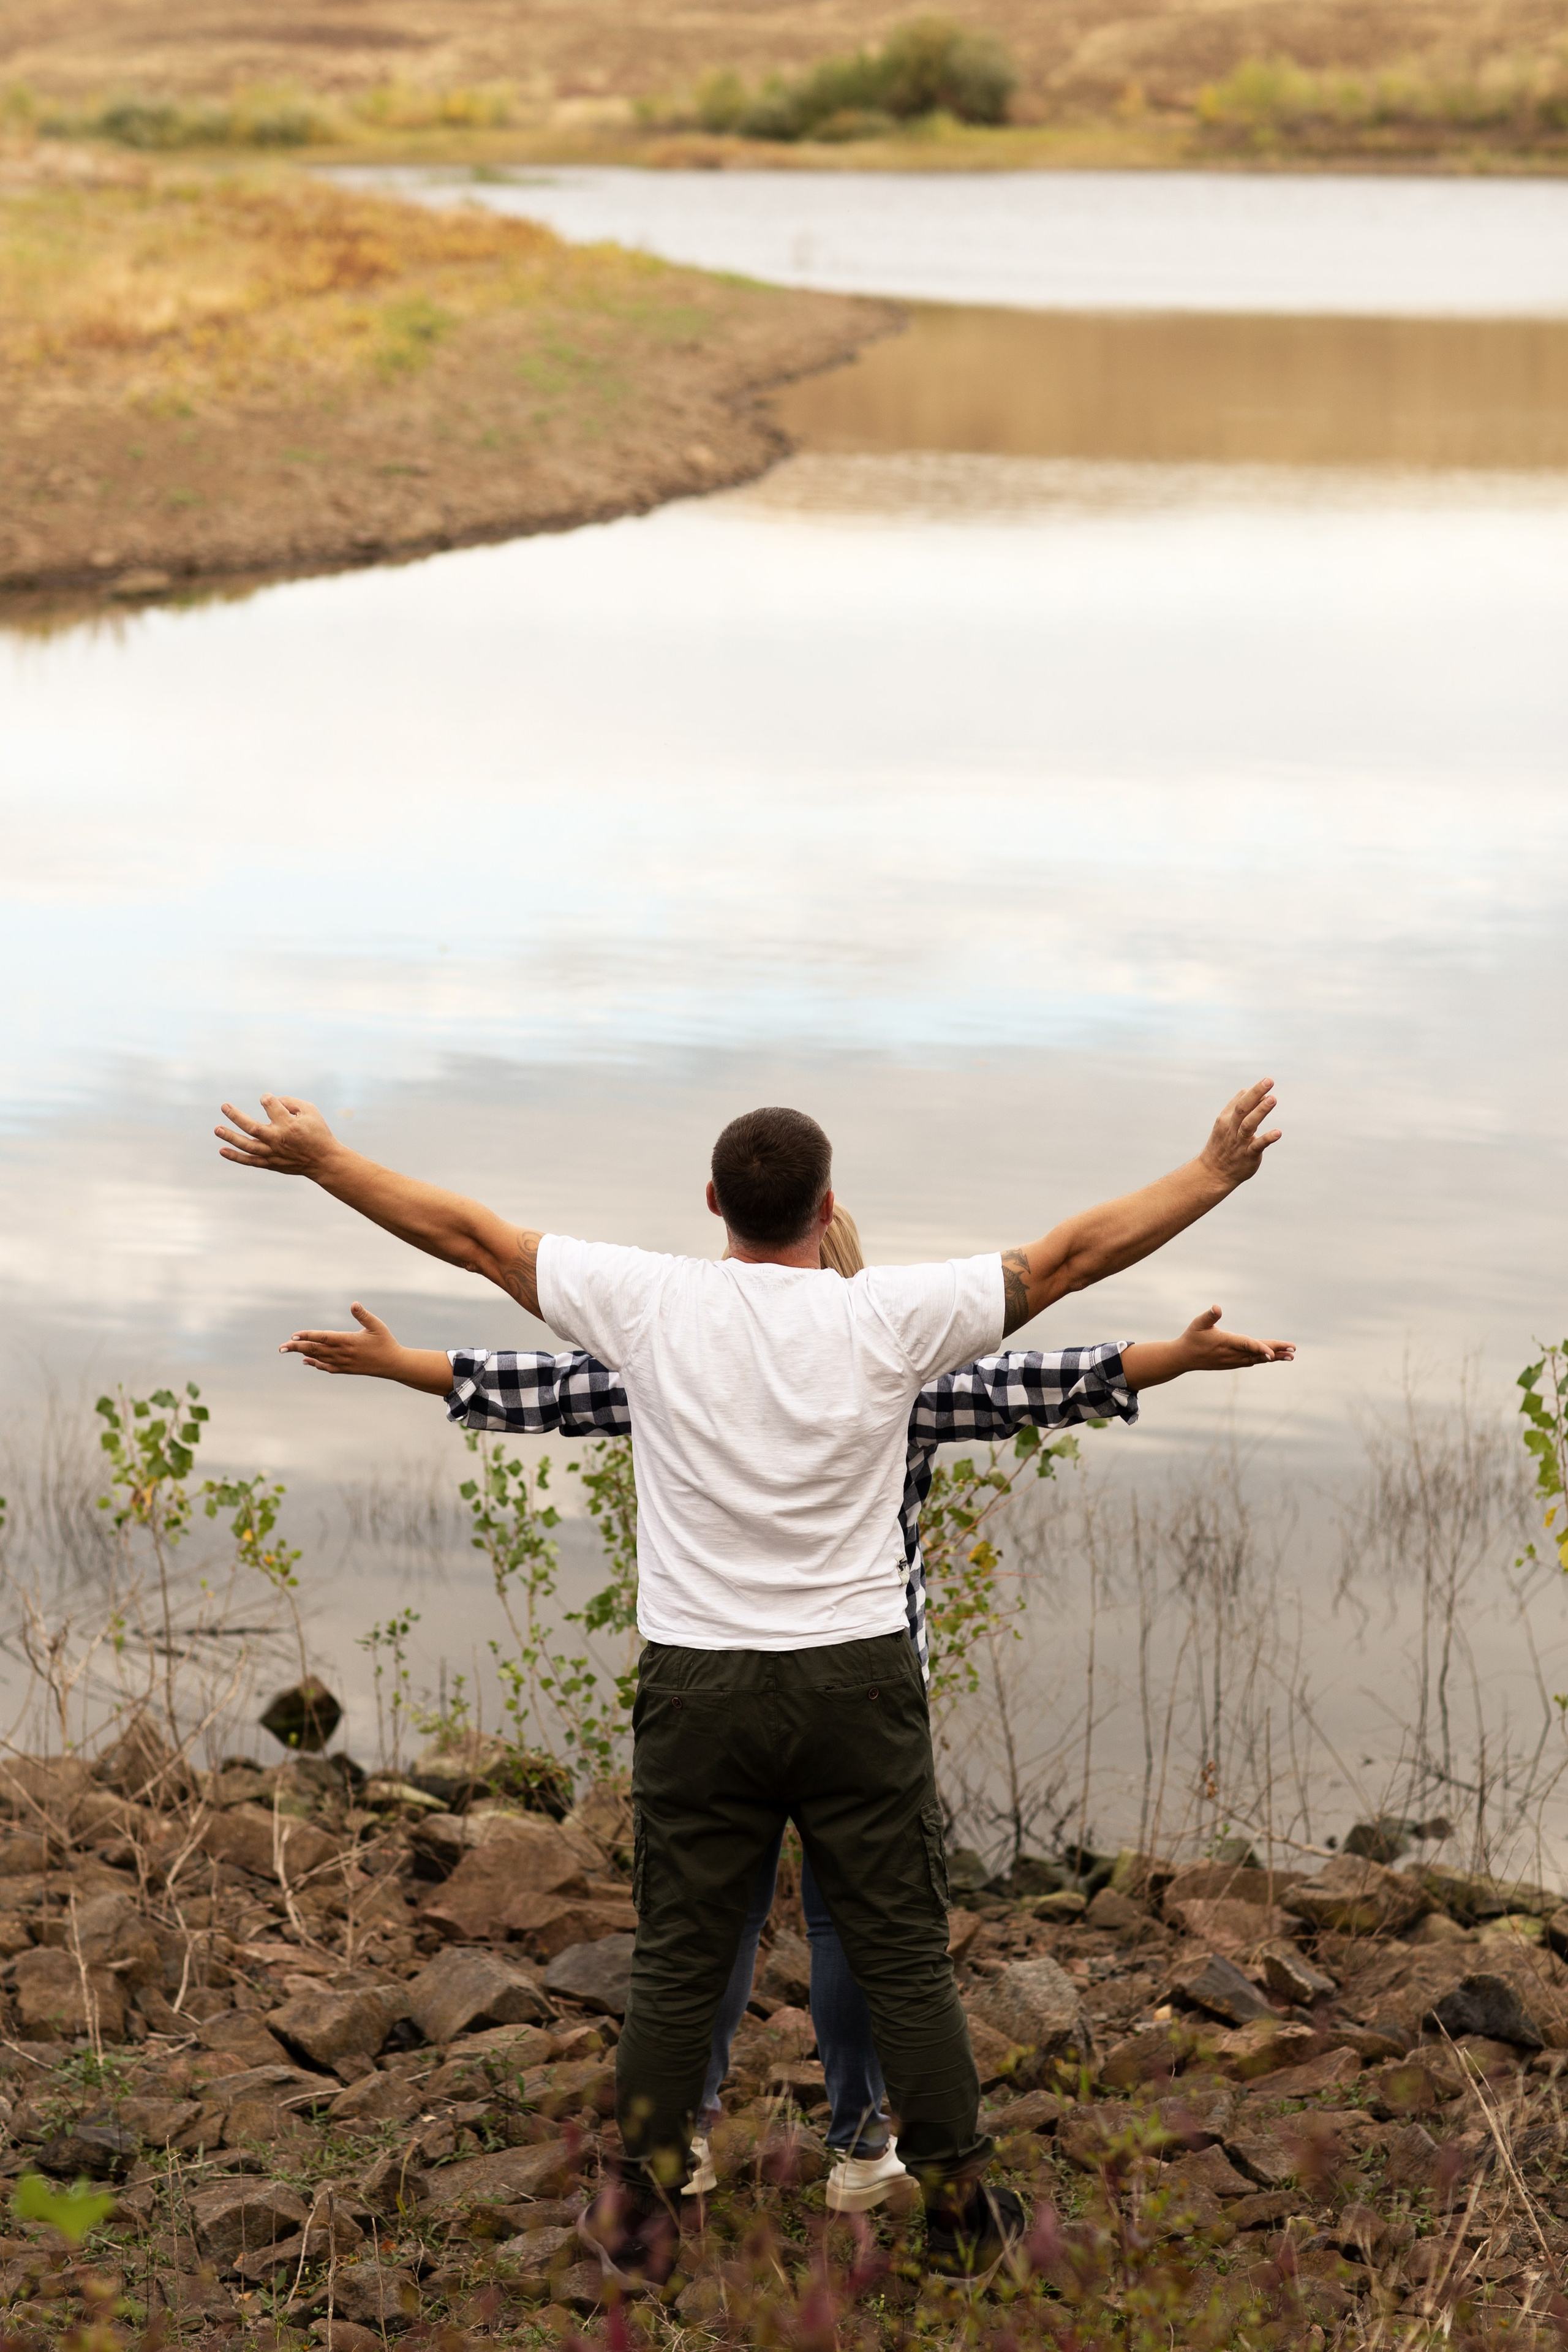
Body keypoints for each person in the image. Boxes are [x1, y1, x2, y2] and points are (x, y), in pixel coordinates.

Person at [216, 1079, 1286, 2278]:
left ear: (713, 1201)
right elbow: (1071, 1257)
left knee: (681, 1958)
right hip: (857, 1683)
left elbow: (469, 1237)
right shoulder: (891, 1317)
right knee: (902, 1952)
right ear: (825, 1210)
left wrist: (324, 1159)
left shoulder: (646, 1304)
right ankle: (955, 2208)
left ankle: (643, 2216)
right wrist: (1208, 1174)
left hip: (702, 1686)